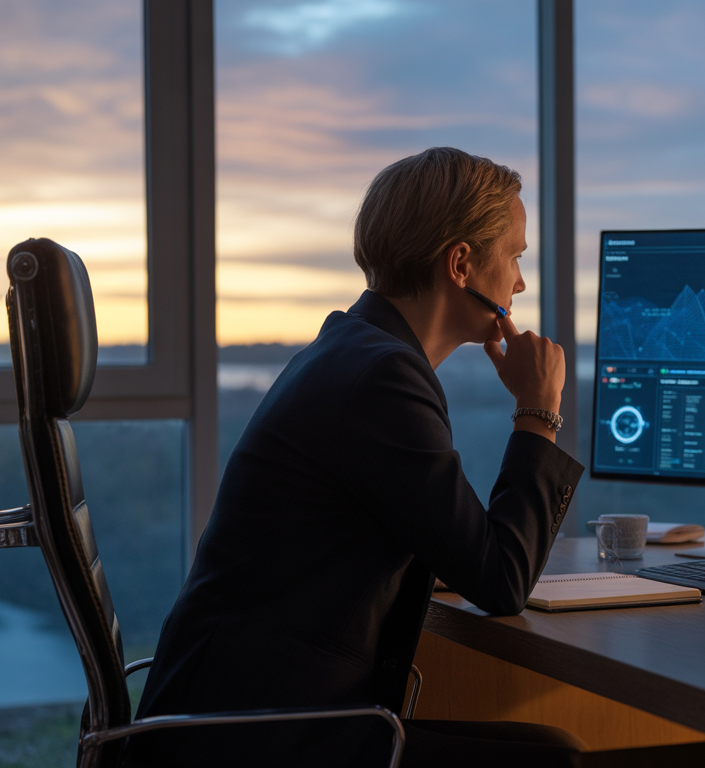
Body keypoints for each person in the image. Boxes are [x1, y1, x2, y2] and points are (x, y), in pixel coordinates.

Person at [124, 148, 585, 768]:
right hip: (258, 737)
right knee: (552, 758)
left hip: (233, 714)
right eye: (515, 257)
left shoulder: (350, 347)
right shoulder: (384, 378)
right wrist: (539, 412)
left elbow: (406, 535)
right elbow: (501, 580)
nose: (521, 283)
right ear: (461, 263)